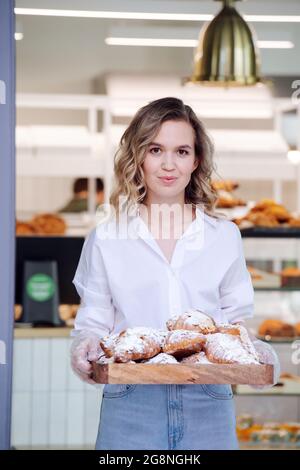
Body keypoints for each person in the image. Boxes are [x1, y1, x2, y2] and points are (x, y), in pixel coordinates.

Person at [70, 97, 280, 450]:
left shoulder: (224, 236)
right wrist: (84, 345)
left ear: (196, 160)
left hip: (208, 400)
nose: (169, 164)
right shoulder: (106, 238)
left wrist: (255, 351)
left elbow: (235, 321)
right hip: (131, 402)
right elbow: (93, 321)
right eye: (155, 150)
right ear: (138, 157)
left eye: (182, 151)